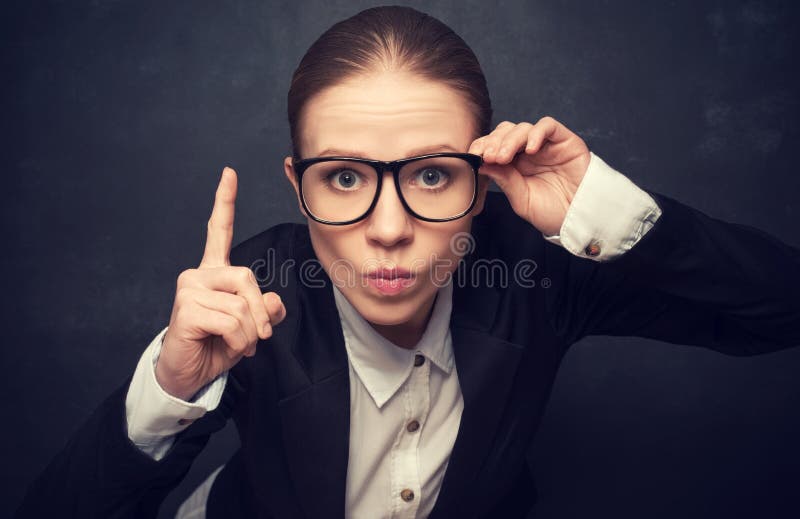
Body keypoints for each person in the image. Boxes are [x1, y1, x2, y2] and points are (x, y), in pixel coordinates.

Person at [15, 5, 800, 519]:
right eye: (346, 177)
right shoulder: (250, 297)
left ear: (481, 183)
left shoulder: (542, 274)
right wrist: (172, 387)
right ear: (299, 186)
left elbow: (779, 309)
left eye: (430, 174)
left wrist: (607, 208)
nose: (388, 229)